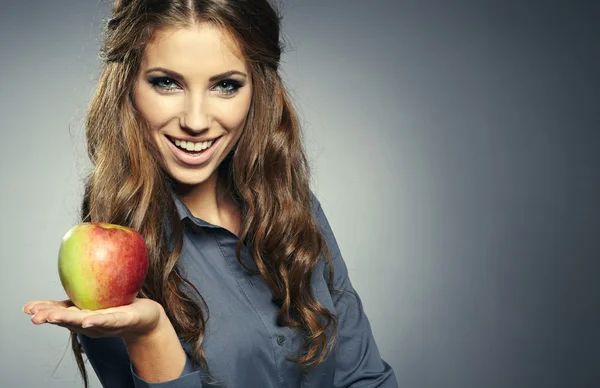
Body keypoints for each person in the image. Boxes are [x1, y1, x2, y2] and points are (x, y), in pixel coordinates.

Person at [22, 0, 398, 387]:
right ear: (128, 86)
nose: (196, 121)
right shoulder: (112, 267)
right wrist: (151, 334)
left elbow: (365, 377)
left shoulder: (293, 210)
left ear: (258, 90)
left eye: (226, 85)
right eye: (166, 82)